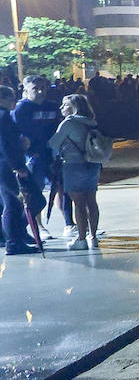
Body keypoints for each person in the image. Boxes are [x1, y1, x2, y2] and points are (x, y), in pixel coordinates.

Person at [12, 75, 73, 235]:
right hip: (33, 156)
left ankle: (69, 224)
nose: (40, 91)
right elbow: (17, 133)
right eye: (35, 89)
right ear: (26, 90)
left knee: (62, 188)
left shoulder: (52, 107)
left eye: (43, 88)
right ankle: (39, 227)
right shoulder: (21, 109)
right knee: (35, 191)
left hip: (52, 153)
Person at [47, 94, 103, 250]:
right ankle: (93, 237)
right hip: (93, 164)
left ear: (73, 107)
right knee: (91, 201)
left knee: (78, 203)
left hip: (73, 165)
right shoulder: (92, 122)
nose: (61, 108)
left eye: (65, 105)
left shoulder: (69, 123)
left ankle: (81, 238)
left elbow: (53, 143)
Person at [0, 85, 41, 255]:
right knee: (30, 200)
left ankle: (15, 238)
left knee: (12, 203)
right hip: (8, 165)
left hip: (5, 165)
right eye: (11, 98)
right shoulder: (3, 117)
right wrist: (18, 166)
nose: (14, 101)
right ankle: (14, 238)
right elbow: (6, 145)